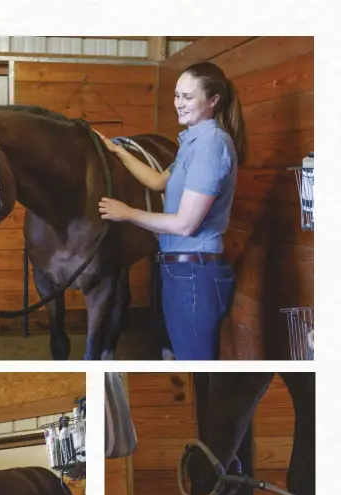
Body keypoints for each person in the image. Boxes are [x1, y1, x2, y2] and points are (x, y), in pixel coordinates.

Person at [97, 61, 246, 360]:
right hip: (180, 270)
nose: (179, 103)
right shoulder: (193, 143)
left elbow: (185, 225)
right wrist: (118, 151)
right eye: (177, 95)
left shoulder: (210, 146)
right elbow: (158, 180)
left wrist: (127, 213)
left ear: (213, 100)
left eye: (188, 97)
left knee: (195, 362)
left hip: (195, 273)